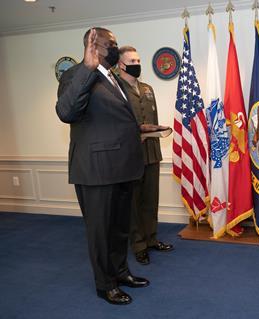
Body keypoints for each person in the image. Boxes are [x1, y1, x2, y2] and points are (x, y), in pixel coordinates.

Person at [55, 27, 155, 305]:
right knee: (101, 232)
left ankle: (121, 272)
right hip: (96, 170)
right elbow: (66, 112)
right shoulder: (75, 75)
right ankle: (105, 284)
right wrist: (87, 69)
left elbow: (112, 119)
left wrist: (140, 128)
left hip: (122, 166)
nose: (115, 47)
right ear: (93, 44)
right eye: (111, 43)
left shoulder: (112, 77)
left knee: (120, 229)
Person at [117, 46, 174, 265]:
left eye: (138, 59)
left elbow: (152, 117)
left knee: (150, 199)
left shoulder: (147, 88)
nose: (136, 63)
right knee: (134, 202)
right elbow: (115, 123)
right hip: (129, 155)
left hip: (151, 151)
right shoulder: (116, 89)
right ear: (121, 64)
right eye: (132, 60)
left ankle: (151, 239)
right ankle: (138, 245)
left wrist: (156, 129)